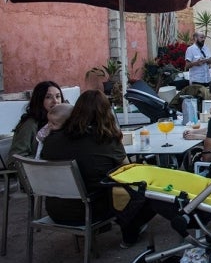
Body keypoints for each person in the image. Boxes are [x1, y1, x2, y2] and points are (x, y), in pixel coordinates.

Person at [41, 91, 129, 235]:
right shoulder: (106, 139)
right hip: (91, 211)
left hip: (55, 210)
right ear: (106, 113)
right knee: (139, 191)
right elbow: (129, 171)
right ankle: (131, 233)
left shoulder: (51, 140)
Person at [8, 81, 64, 170]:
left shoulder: (64, 121)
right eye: (48, 97)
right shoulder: (30, 124)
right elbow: (14, 160)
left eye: (58, 96)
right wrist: (42, 159)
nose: (55, 101)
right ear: (39, 100)